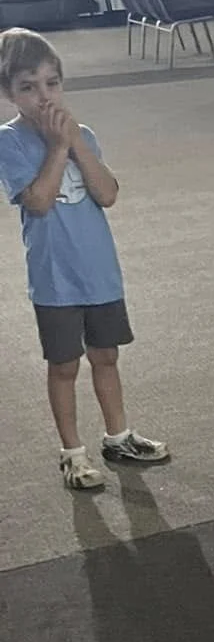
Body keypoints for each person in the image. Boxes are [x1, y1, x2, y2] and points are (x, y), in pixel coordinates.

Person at [0, 27, 169, 490]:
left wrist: (75, 143)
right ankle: (72, 453)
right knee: (64, 365)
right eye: (28, 87)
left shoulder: (84, 135)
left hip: (99, 273)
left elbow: (107, 193)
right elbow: (37, 200)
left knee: (107, 356)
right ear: (8, 93)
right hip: (56, 279)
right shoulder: (9, 142)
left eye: (52, 83)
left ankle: (118, 435)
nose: (43, 96)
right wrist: (57, 148)